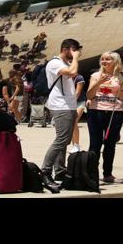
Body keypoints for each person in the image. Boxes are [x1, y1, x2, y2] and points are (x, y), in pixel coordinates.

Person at [38, 39, 82, 191]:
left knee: (64, 140)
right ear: (65, 49)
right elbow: (72, 73)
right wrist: (75, 58)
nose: (77, 52)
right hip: (60, 105)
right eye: (74, 49)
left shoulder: (65, 63)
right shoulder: (54, 63)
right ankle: (45, 172)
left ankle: (60, 171)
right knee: (61, 139)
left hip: (68, 104)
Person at [84, 52, 123, 184]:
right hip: (96, 111)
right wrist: (99, 82)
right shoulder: (95, 75)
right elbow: (89, 95)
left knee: (110, 144)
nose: (104, 61)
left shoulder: (121, 77)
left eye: (108, 59)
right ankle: (92, 174)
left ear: (115, 61)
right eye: (102, 59)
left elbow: (122, 96)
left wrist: (122, 85)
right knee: (95, 144)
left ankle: (107, 174)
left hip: (115, 112)